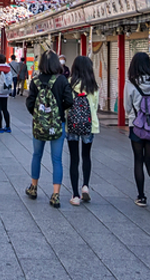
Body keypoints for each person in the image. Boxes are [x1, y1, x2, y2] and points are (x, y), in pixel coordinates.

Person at [25, 52, 74, 209]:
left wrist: (38, 115)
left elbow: (29, 102)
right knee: (57, 160)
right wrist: (58, 113)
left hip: (39, 125)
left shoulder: (35, 81)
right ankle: (55, 194)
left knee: (37, 155)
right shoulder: (61, 80)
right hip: (57, 125)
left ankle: (33, 187)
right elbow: (69, 101)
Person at [125, 51, 150, 209]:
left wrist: (132, 115)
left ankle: (141, 197)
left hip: (136, 126)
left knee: (138, 160)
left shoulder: (131, 82)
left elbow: (127, 106)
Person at [66, 55, 99, 205]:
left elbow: (65, 103)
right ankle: (85, 186)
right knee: (86, 156)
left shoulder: (69, 83)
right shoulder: (93, 86)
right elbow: (96, 107)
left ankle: (75, 195)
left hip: (72, 125)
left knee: (74, 159)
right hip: (89, 125)